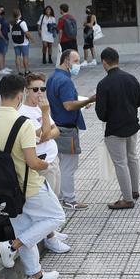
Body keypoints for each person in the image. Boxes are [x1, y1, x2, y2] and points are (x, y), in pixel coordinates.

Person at [0, 75, 68, 279]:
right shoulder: (24, 124)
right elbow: (32, 161)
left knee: (25, 228)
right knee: (57, 216)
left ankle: (36, 277)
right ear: (20, 94)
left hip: (5, 190)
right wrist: (45, 165)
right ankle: (13, 245)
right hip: (29, 186)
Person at [95, 47, 140, 209]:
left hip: (114, 128)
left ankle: (128, 199)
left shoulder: (103, 84)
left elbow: (101, 114)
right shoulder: (131, 78)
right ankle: (135, 190)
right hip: (132, 124)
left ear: (104, 62)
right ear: (117, 60)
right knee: (132, 157)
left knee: (120, 163)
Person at [46, 50, 95, 210]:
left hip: (56, 127)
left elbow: (63, 102)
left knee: (61, 165)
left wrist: (80, 102)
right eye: (76, 61)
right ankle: (69, 199)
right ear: (66, 61)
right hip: (67, 130)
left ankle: (60, 196)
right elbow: (68, 105)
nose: (78, 65)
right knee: (68, 166)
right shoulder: (65, 81)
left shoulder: (53, 77)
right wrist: (89, 100)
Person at [19, 73, 61, 200]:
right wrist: (45, 112)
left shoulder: (39, 107)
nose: (40, 93)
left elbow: (57, 131)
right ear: (26, 91)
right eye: (35, 89)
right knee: (49, 201)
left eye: (42, 89)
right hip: (43, 164)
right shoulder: (24, 112)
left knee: (55, 197)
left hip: (52, 159)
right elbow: (45, 135)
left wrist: (47, 133)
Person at [10, 8, 34, 76]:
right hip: (24, 43)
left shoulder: (11, 23)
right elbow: (26, 33)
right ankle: (26, 71)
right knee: (25, 56)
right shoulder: (22, 22)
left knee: (17, 56)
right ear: (19, 14)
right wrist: (32, 39)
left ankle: (19, 72)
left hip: (15, 43)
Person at [0, 4, 12, 75]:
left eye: (3, 10)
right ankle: (1, 69)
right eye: (1, 10)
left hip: (4, 38)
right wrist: (3, 38)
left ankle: (3, 67)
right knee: (1, 53)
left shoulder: (2, 18)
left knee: (3, 53)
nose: (3, 11)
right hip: (0, 39)